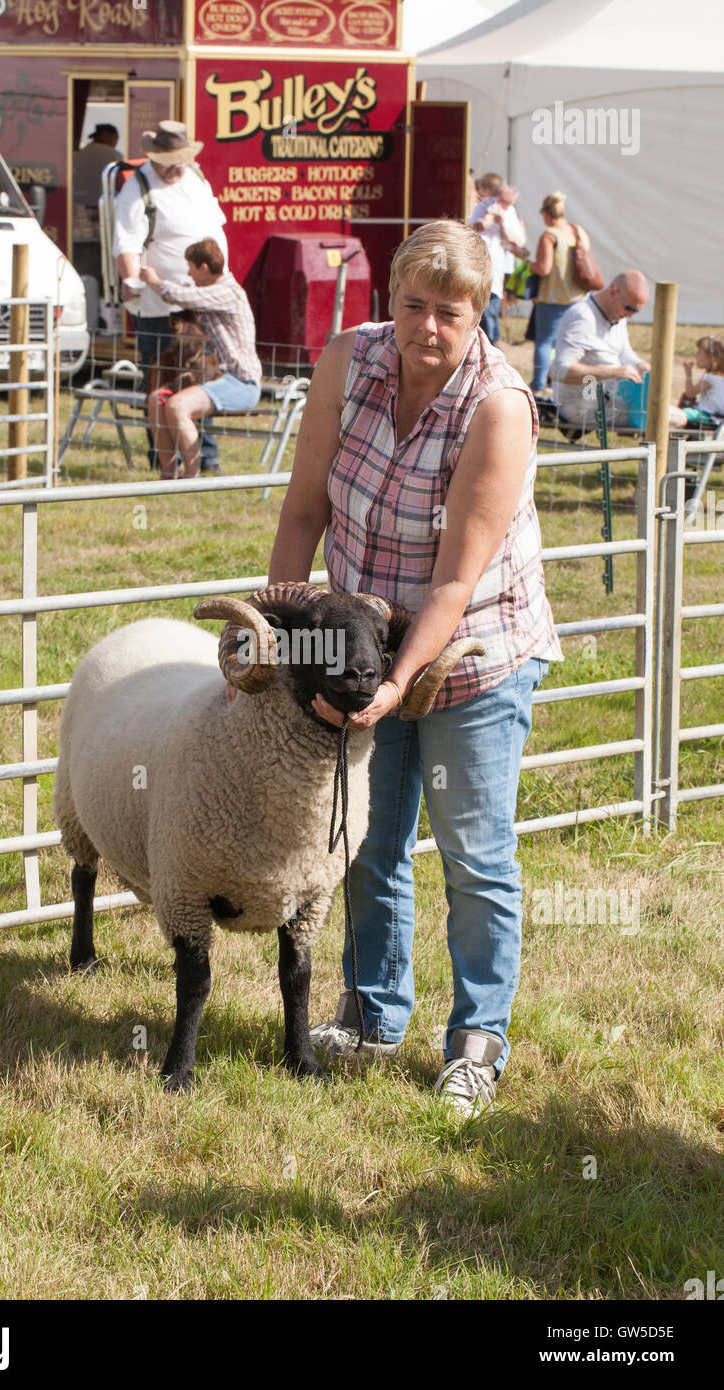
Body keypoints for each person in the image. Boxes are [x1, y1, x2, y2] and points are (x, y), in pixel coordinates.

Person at [263, 220, 563, 1114]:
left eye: (451, 312)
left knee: (473, 850)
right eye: (414, 306)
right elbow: (303, 505)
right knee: (365, 837)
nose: (428, 327)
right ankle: (371, 1012)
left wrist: (399, 688)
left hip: (473, 649)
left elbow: (455, 580)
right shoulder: (349, 361)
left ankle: (477, 1038)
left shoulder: (498, 406)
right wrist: (279, 625)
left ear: (482, 315)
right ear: (388, 301)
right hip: (362, 645)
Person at [113, 120, 227, 474]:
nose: (176, 166)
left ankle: (204, 457)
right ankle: (164, 461)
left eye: (180, 158)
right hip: (160, 307)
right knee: (162, 384)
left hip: (201, 304)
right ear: (156, 157)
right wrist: (131, 279)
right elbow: (127, 245)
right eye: (170, 160)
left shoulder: (195, 177)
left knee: (201, 379)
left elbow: (215, 227)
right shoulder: (138, 188)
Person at [142, 238, 261, 478]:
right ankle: (167, 477)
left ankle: (191, 479)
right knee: (156, 401)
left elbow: (185, 297)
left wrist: (153, 281)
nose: (189, 273)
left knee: (177, 406)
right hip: (210, 378)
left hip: (241, 381)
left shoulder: (228, 292)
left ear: (204, 267)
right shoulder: (212, 293)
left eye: (191, 267)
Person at [552, 272, 651, 429]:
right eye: (629, 308)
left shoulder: (618, 316)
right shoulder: (582, 317)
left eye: (635, 311)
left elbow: (625, 354)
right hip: (581, 406)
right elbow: (560, 370)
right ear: (613, 291)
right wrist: (614, 372)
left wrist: (640, 365)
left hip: (607, 399)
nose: (630, 315)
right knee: (665, 418)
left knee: (668, 415)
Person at [527, 192, 591, 394]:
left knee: (545, 342)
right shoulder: (577, 230)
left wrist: (528, 265)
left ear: (546, 214)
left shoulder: (549, 235)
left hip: (552, 298)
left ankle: (539, 385)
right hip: (577, 297)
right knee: (570, 343)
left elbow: (544, 268)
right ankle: (565, 384)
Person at [469, 180, 526, 345]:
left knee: (490, 308)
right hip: (478, 264)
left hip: (495, 268)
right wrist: (489, 219)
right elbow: (474, 226)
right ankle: (488, 343)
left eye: (507, 203)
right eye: (501, 200)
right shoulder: (485, 207)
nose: (503, 205)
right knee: (484, 309)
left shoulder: (510, 212)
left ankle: (492, 344)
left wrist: (503, 223)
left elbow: (519, 240)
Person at [71, 123, 119, 282]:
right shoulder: (115, 156)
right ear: (110, 137)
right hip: (103, 212)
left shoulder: (77, 156)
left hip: (80, 211)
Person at [672, 335, 724, 428]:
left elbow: (690, 393)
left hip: (706, 415)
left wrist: (688, 375)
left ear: (711, 357)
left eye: (699, 353)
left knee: (677, 414)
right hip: (719, 417)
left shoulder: (709, 378)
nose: (696, 356)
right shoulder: (720, 377)